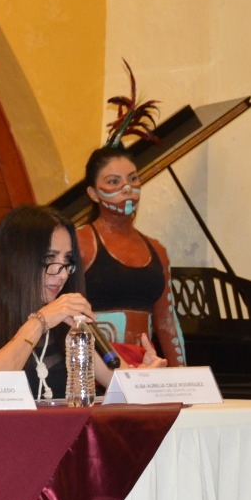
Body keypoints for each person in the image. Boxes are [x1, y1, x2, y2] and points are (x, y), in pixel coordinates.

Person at [0, 205, 161, 401]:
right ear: (16, 259)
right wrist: (40, 322)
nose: (61, 275)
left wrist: (143, 380)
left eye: (67, 261)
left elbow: (121, 384)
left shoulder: (68, 320)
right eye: (50, 258)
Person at [74, 147, 187, 367]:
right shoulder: (80, 242)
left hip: (146, 368)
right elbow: (65, 316)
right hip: (95, 372)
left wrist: (182, 378)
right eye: (114, 182)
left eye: (133, 178)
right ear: (93, 193)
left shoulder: (157, 249)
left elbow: (167, 323)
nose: (127, 188)